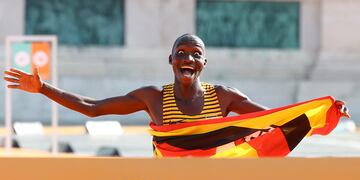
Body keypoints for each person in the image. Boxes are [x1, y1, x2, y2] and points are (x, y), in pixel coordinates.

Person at [3, 34, 349, 156]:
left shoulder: (225, 97)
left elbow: (272, 121)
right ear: (170, 60)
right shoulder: (152, 97)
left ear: (204, 63)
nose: (188, 58)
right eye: (181, 53)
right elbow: (92, 108)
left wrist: (326, 112)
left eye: (195, 54)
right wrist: (42, 87)